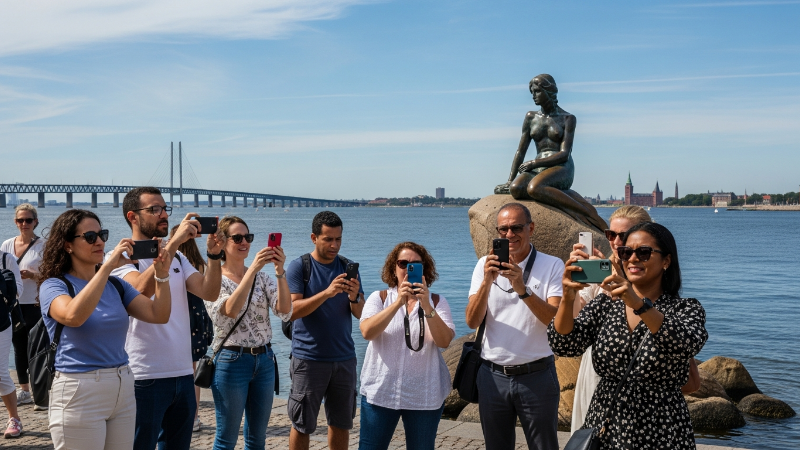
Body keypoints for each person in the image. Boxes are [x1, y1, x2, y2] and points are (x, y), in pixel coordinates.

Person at [550, 222, 708, 449]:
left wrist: (637, 303)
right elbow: (563, 344)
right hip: (606, 424)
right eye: (626, 252)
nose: (632, 259)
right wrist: (567, 295)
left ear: (666, 261)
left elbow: (685, 344)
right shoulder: (605, 304)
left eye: (643, 252)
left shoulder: (685, 309)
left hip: (661, 428)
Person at [38, 209, 172, 450]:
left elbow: (158, 315)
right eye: (90, 237)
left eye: (102, 235)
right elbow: (73, 316)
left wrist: (162, 276)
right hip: (79, 389)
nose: (99, 242)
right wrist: (106, 268)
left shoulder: (116, 286)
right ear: (68, 245)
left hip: (122, 386)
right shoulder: (55, 285)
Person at [109, 187, 223, 450]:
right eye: (154, 209)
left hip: (183, 373)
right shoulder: (122, 258)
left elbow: (209, 291)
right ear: (133, 217)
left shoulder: (179, 258)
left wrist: (214, 256)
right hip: (144, 375)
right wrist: (174, 243)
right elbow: (138, 290)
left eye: (164, 208)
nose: (163, 215)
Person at [465, 203, 563, 450]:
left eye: (516, 228)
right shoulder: (483, 266)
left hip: (537, 375)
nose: (510, 235)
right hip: (492, 374)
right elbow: (472, 320)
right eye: (503, 230)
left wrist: (522, 288)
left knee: (544, 446)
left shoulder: (552, 265)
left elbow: (554, 319)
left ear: (531, 228)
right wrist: (487, 282)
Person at [204, 216, 292, 450]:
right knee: (226, 439)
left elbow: (284, 311)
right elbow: (230, 311)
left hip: (264, 361)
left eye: (248, 237)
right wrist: (252, 269)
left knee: (256, 439)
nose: (245, 242)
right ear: (221, 243)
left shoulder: (263, 278)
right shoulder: (214, 280)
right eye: (238, 238)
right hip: (231, 361)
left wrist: (280, 271)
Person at [358, 242, 455, 450]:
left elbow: (444, 341)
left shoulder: (437, 302)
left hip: (424, 395)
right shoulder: (379, 298)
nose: (407, 269)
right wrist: (398, 303)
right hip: (381, 393)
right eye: (403, 263)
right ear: (394, 268)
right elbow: (367, 332)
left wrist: (426, 305)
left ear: (425, 269)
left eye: (415, 264)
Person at [286, 211, 364, 450]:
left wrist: (354, 296)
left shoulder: (348, 266)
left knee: (342, 424)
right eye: (328, 239)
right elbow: (291, 310)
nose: (334, 245)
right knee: (302, 424)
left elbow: (361, 314)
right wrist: (327, 293)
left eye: (338, 239)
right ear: (314, 237)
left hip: (344, 359)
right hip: (308, 359)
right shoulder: (300, 267)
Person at [494, 74, 605, 231]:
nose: (534, 96)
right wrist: (510, 180)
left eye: (537, 91)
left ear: (549, 92)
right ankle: (557, 194)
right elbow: (520, 151)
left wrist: (534, 163)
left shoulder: (567, 118)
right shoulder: (530, 117)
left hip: (562, 166)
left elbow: (564, 153)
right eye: (532, 92)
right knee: (516, 188)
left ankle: (585, 212)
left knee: (533, 188)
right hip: (538, 169)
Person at [1, 203, 46, 409]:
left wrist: (33, 276)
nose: (24, 224)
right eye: (20, 220)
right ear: (15, 222)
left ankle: (42, 392)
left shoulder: (44, 245)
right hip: (14, 304)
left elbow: (54, 275)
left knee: (38, 348)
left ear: (36, 221)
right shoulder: (7, 245)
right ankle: (25, 391)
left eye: (29, 220)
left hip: (37, 303)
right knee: (19, 349)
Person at [170, 225, 213, 433]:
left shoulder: (173, 262)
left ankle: (186, 416)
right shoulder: (199, 264)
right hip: (198, 319)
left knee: (181, 369)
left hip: (179, 319)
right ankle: (194, 417)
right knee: (193, 370)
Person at [0, 242, 24, 438]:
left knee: (0, 373)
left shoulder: (6, 258)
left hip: (1, 322)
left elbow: (18, 291)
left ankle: (14, 418)